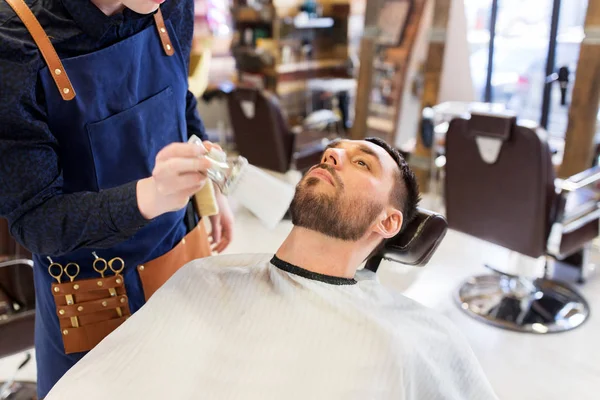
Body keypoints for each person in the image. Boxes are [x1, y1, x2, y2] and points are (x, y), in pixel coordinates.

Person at [46, 138, 498, 400]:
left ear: (389, 221)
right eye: (331, 153)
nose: (333, 156)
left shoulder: (409, 339)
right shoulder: (203, 278)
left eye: (361, 162)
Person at [0, 0, 234, 397]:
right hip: (91, 300)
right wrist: (152, 195)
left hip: (181, 262)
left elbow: (181, 101)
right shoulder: (14, 42)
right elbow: (36, 219)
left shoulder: (168, 5)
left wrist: (208, 188)